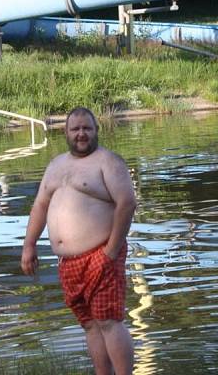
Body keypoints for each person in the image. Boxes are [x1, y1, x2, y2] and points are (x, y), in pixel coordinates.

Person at [21, 107, 137, 375]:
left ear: (97, 130)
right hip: (69, 262)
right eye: (76, 129)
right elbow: (40, 205)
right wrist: (29, 244)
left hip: (102, 253)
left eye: (87, 128)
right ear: (66, 132)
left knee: (109, 321)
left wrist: (111, 251)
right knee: (90, 324)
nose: (82, 134)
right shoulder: (55, 166)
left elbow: (127, 203)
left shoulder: (107, 162)